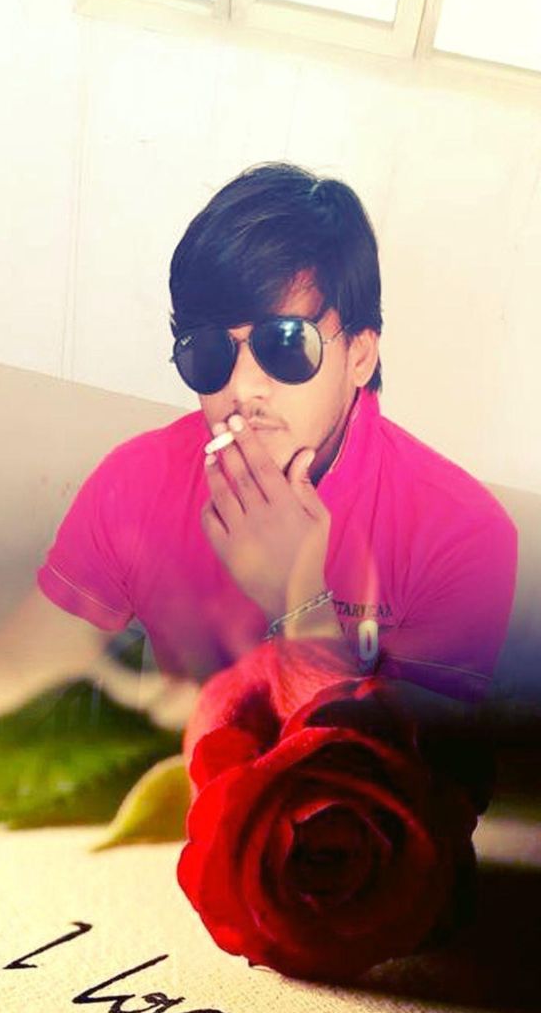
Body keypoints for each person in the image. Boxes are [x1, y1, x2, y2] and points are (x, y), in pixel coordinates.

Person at [31, 163, 516, 704]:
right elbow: (27, 682)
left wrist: (299, 603)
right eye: (209, 350)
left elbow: (406, 758)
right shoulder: (136, 480)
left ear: (360, 354)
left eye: (286, 343)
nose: (241, 388)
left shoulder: (462, 536)